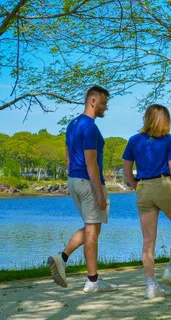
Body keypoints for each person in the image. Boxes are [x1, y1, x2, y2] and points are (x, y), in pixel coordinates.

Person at [47, 86, 118, 293]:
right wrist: (98, 192)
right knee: (93, 232)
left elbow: (68, 157)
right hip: (88, 182)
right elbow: (91, 163)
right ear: (93, 101)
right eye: (104, 103)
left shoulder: (72, 124)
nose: (106, 107)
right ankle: (90, 280)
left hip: (74, 181)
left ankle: (65, 260)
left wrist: (75, 177)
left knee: (91, 229)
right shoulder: (90, 127)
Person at [122, 104, 171, 299]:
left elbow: (126, 171)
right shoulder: (169, 140)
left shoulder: (134, 141)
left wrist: (136, 185)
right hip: (164, 185)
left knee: (148, 240)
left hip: (143, 188)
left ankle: (151, 285)